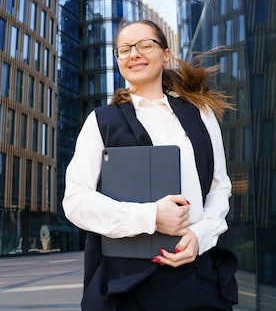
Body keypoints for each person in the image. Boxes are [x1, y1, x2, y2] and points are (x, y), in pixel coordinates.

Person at [63, 19, 238, 310]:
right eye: (124, 49)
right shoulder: (102, 121)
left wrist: (200, 236)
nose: (134, 54)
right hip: (129, 283)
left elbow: (220, 188)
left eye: (145, 45)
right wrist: (151, 216)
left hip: (197, 273)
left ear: (165, 54)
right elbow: (75, 200)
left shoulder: (201, 114)